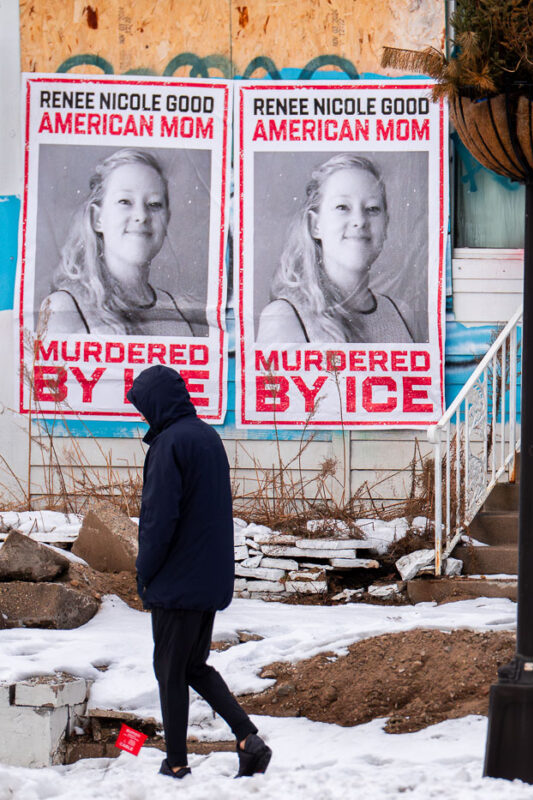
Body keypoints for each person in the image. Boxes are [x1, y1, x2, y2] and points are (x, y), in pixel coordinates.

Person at [126, 365, 272, 779]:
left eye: (143, 406)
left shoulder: (168, 445)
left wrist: (145, 572)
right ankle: (248, 739)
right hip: (207, 577)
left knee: (170, 671)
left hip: (176, 580)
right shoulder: (207, 437)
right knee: (191, 667)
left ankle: (175, 763)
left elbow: (158, 519)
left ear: (156, 402)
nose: (142, 415)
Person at [39, 149, 205, 336]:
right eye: (125, 201)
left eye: (154, 204)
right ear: (97, 218)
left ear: (167, 219)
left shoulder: (175, 310)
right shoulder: (65, 309)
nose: (141, 216)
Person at [257, 153, 418, 344]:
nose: (359, 221)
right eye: (342, 207)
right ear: (315, 225)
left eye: (373, 208)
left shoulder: (401, 314)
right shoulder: (285, 318)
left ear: (386, 225)